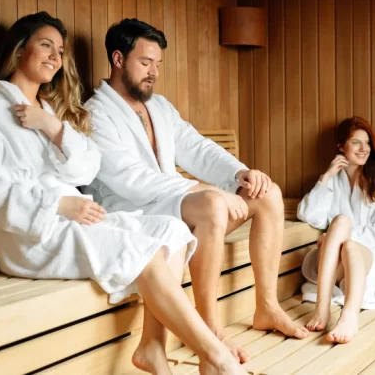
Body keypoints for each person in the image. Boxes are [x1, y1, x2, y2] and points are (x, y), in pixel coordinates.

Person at [0, 12, 245, 375]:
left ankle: (152, 347)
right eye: (45, 46)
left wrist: (53, 127)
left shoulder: (48, 112)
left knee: (171, 231)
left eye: (60, 51)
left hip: (74, 218)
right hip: (30, 234)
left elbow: (86, 167)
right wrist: (58, 203)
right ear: (18, 50)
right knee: (141, 249)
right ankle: (215, 356)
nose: (55, 57)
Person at [82, 18, 308, 362]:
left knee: (268, 193)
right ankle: (210, 329)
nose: (153, 72)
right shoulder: (95, 114)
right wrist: (205, 191)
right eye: (145, 62)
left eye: (157, 64)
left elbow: (197, 148)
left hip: (176, 206)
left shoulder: (158, 107)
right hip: (134, 219)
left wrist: (241, 173)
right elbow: (131, 179)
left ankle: (267, 306)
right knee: (213, 206)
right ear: (117, 59)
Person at [297, 116, 375, 344]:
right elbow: (308, 214)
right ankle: (323, 307)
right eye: (356, 142)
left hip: (371, 259)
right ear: (341, 146)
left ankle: (347, 316)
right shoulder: (333, 179)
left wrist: (335, 239)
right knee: (341, 223)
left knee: (347, 240)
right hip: (336, 264)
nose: (364, 149)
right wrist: (326, 177)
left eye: (367, 143)